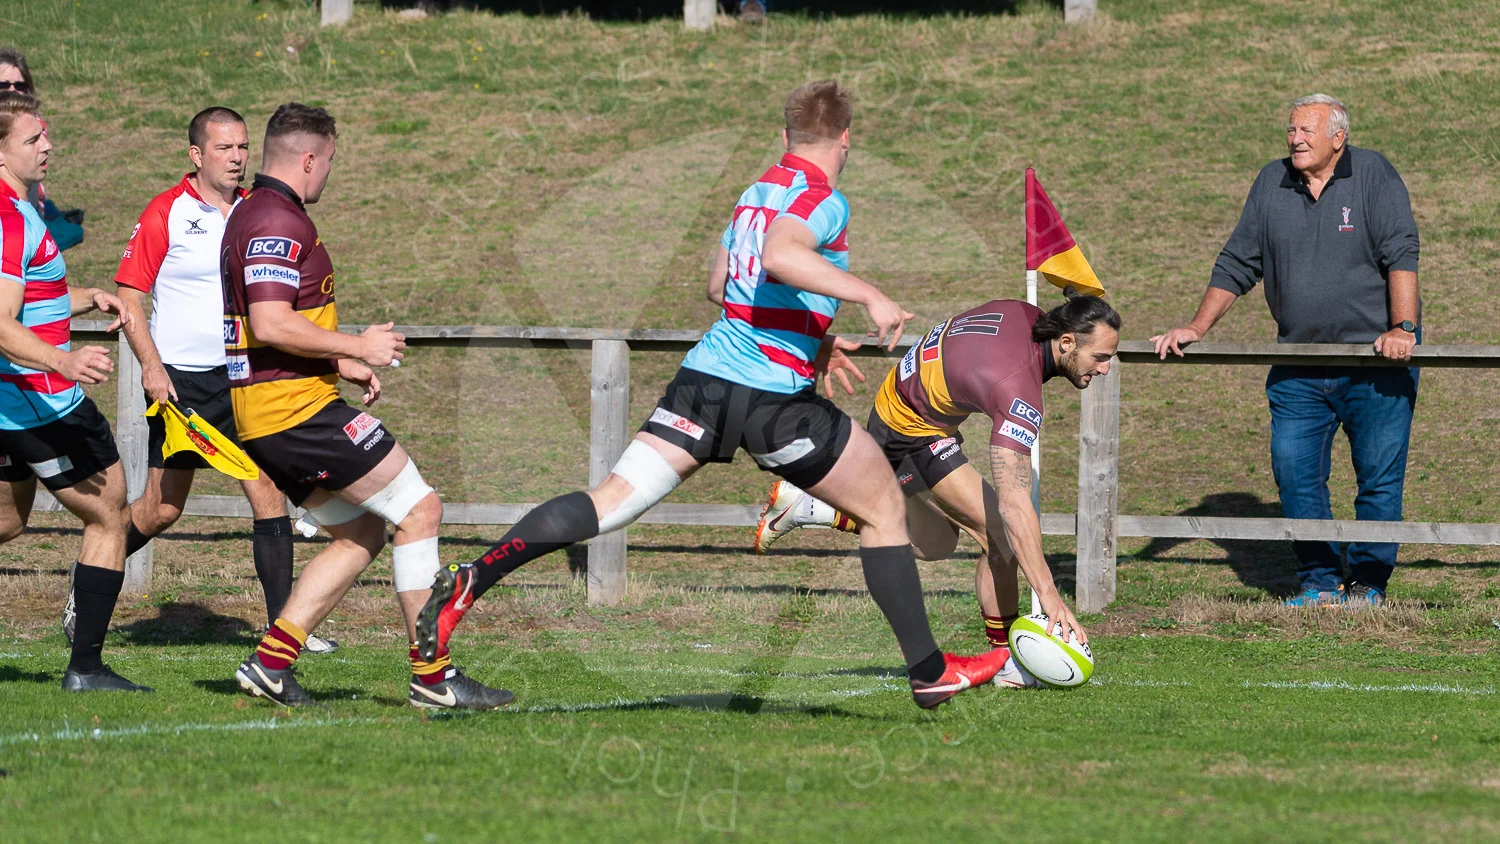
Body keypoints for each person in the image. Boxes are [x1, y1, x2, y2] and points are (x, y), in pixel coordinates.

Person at [414, 81, 1011, 710]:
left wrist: (813, 335)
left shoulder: (754, 193)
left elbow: (720, 283)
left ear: (784, 137)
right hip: (771, 400)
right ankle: (929, 671)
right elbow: (781, 258)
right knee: (887, 510)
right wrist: (868, 295)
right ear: (844, 138)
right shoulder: (823, 199)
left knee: (610, 501)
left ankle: (469, 582)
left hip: (704, 381)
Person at [224, 103, 508, 710]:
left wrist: (337, 363)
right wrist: (357, 344)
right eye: (329, 161)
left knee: (360, 531)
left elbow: (271, 326)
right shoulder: (278, 218)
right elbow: (271, 321)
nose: (329, 173)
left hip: (270, 410)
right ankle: (433, 675)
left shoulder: (253, 211)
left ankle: (271, 665)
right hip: (293, 412)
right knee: (420, 510)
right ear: (308, 158)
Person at [60, 108, 334, 653]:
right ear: (197, 155)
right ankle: (89, 580)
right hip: (182, 383)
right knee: (162, 509)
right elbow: (133, 295)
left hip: (241, 377)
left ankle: (284, 631)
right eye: (224, 148)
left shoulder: (259, 211)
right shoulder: (167, 211)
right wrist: (153, 368)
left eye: (242, 148)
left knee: (267, 494)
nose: (236, 159)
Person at [1151, 94, 1420, 608]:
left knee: (1379, 480)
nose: (1295, 139)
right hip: (1298, 364)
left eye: (1306, 131)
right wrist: (1196, 326)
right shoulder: (1270, 182)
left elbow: (1401, 252)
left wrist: (1402, 327)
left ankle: (1367, 585)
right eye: (1291, 130)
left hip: (1377, 363)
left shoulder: (1373, 175)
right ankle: (1319, 581)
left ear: (1337, 138)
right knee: (1295, 473)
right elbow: (1237, 262)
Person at [754, 296, 1118, 670]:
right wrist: (1050, 595)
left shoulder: (1022, 312)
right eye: (1101, 357)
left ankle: (816, 506)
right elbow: (1013, 504)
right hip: (908, 428)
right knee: (1000, 534)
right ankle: (1008, 661)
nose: (1105, 369)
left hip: (907, 408)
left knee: (936, 543)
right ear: (1067, 342)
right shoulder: (1017, 388)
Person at [0, 91, 146, 692]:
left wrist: (85, 297)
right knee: (111, 513)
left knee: (6, 526)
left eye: (46, 135)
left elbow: (31, 297)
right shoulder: (9, 219)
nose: (48, 146)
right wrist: (64, 359)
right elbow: (2, 324)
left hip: (15, 401)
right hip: (40, 398)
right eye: (33, 139)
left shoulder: (23, 206)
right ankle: (86, 667)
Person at [0, 50, 84, 251]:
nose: (13, 91)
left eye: (19, 85)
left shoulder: (32, 123)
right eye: (3, 85)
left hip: (28, 208)